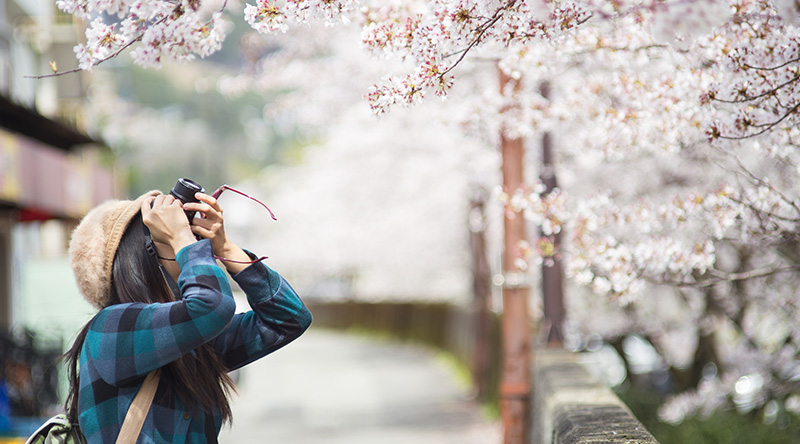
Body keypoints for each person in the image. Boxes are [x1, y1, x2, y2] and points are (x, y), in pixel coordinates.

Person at [63, 189, 312, 443]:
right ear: (140, 258)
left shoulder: (191, 339)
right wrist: (181, 236)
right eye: (170, 238)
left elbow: (289, 317)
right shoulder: (111, 329)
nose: (191, 245)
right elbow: (212, 305)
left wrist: (224, 246)